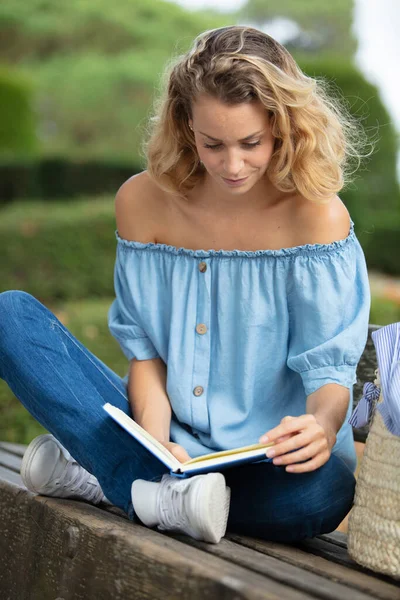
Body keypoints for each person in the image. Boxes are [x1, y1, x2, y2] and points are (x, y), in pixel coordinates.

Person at [0, 25, 372, 545]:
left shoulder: (317, 216)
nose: (232, 165)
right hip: (163, 440)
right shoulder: (141, 202)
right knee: (9, 316)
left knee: (325, 495)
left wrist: (323, 427)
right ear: (184, 124)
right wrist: (155, 445)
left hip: (264, 463)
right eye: (212, 144)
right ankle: (152, 487)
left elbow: (329, 371)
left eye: (251, 143)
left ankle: (111, 480)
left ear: (283, 128)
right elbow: (146, 356)